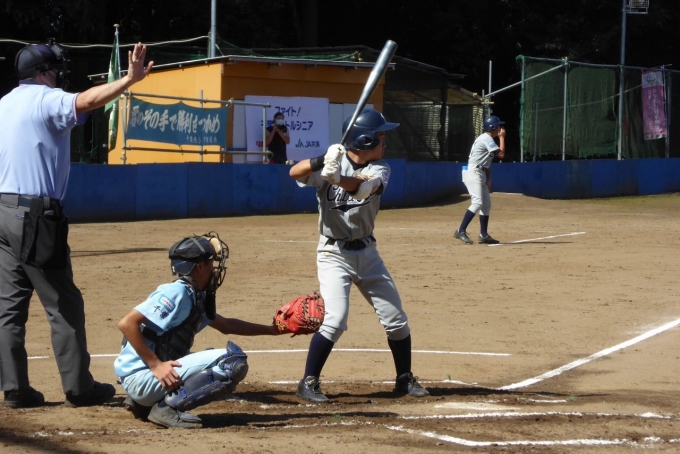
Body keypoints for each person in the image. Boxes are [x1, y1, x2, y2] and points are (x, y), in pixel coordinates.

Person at [0, 39, 153, 409]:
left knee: (8, 308)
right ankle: (79, 388)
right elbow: (85, 101)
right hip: (34, 215)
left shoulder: (5, 103)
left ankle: (15, 389)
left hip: (3, 211)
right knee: (63, 303)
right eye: (53, 68)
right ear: (43, 73)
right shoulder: (45, 99)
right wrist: (128, 81)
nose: (57, 73)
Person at [288, 108, 429, 402]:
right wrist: (322, 161)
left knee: (396, 319)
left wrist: (337, 178)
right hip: (333, 254)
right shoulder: (331, 162)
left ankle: (404, 378)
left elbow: (364, 189)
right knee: (335, 318)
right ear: (364, 141)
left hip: (368, 253)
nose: (384, 142)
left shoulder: (381, 168)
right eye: (380, 137)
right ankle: (308, 381)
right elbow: (294, 172)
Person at [115, 232, 282, 429]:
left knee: (210, 358)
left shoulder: (193, 295)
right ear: (200, 266)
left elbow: (227, 325)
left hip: (146, 381)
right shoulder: (176, 292)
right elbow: (127, 323)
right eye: (211, 263)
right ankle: (165, 408)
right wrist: (156, 365)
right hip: (143, 378)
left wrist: (273, 330)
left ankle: (145, 404)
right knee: (232, 362)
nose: (215, 269)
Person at [453, 115, 507, 245]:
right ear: (492, 127)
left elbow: (487, 162)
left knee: (486, 204)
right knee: (477, 202)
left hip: (479, 173)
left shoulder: (488, 139)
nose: (500, 128)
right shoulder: (486, 138)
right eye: (498, 126)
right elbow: (501, 154)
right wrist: (502, 138)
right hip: (474, 172)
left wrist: (489, 179)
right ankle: (460, 230)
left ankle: (483, 235)